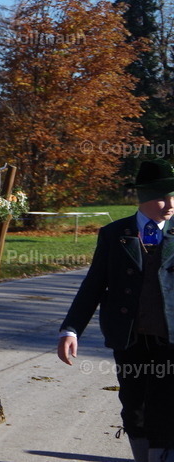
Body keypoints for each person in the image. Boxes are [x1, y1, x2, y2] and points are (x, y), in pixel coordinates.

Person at [57, 159, 174, 462]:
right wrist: (71, 329)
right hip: (130, 337)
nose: (170, 204)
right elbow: (93, 285)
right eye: (163, 196)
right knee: (134, 407)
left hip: (169, 339)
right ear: (143, 197)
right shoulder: (114, 234)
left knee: (165, 407)